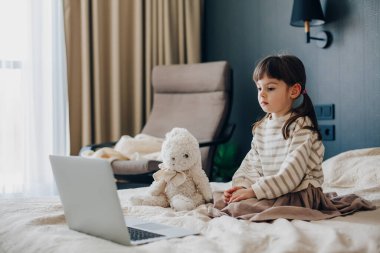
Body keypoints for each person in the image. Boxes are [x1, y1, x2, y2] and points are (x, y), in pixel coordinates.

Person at [208, 54, 375, 221]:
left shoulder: (301, 126)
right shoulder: (261, 127)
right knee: (225, 200)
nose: (262, 94)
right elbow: (251, 165)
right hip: (273, 189)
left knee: (242, 208)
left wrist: (253, 191)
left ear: (293, 91)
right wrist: (242, 186)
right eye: (259, 88)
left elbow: (291, 175)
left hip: (298, 193)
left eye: (270, 88)